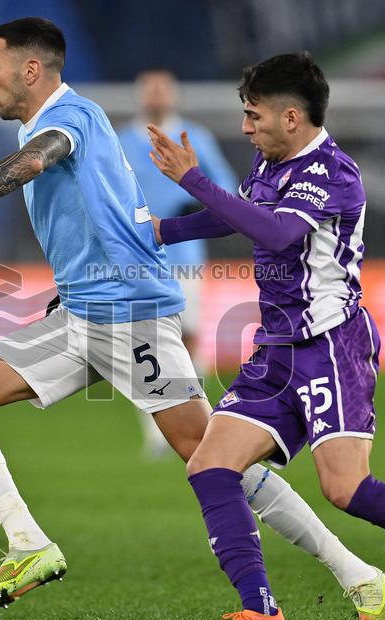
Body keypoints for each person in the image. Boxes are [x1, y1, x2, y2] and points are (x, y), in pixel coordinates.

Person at [0, 18, 385, 620]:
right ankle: (29, 546)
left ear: (29, 70)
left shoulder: (73, 118)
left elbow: (38, 160)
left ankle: (355, 574)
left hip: (130, 315)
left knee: (210, 455)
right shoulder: (61, 120)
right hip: (83, 312)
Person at [148, 52, 385, 620]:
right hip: (276, 349)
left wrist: (192, 181)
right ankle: (262, 615)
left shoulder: (332, 173)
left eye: (253, 116)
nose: (246, 127)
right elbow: (240, 217)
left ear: (290, 117)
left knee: (346, 489)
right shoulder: (270, 163)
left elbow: (275, 231)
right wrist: (159, 230)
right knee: (211, 466)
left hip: (331, 347)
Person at [117, 69, 236, 458]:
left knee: (188, 336)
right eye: (148, 89)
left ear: (172, 95)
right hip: (137, 256)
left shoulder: (195, 138)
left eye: (161, 89)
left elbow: (228, 189)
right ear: (140, 96)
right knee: (143, 341)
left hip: (185, 255)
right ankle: (156, 432)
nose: (155, 96)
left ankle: (198, 421)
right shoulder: (119, 142)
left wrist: (199, 201)